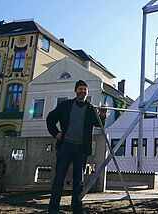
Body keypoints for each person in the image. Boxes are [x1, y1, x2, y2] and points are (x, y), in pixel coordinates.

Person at [46, 80, 107, 214]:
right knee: (59, 179)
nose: (82, 91)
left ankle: (77, 209)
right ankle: (53, 209)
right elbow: (50, 118)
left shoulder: (91, 108)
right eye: (80, 89)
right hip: (65, 146)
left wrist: (102, 115)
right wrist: (56, 133)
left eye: (85, 89)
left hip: (81, 149)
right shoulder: (66, 106)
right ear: (76, 91)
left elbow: (98, 124)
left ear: (87, 92)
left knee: (79, 181)